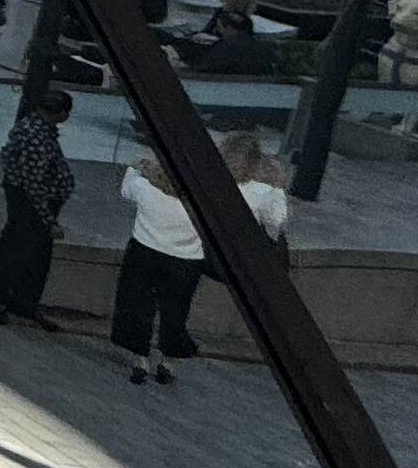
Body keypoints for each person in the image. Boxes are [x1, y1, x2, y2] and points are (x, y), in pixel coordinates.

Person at [113, 135, 290, 387]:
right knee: (175, 311)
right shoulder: (216, 196)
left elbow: (127, 187)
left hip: (143, 252)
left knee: (138, 304)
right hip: (187, 260)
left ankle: (139, 359)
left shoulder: (148, 189)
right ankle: (167, 360)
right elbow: (276, 221)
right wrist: (276, 184)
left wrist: (137, 168)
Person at [0, 85, 78, 331]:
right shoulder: (34, 135)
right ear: (61, 113)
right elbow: (33, 183)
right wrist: (48, 219)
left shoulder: (38, 128)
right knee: (15, 249)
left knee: (37, 255)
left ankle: (23, 301)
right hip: (30, 202)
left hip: (38, 199)